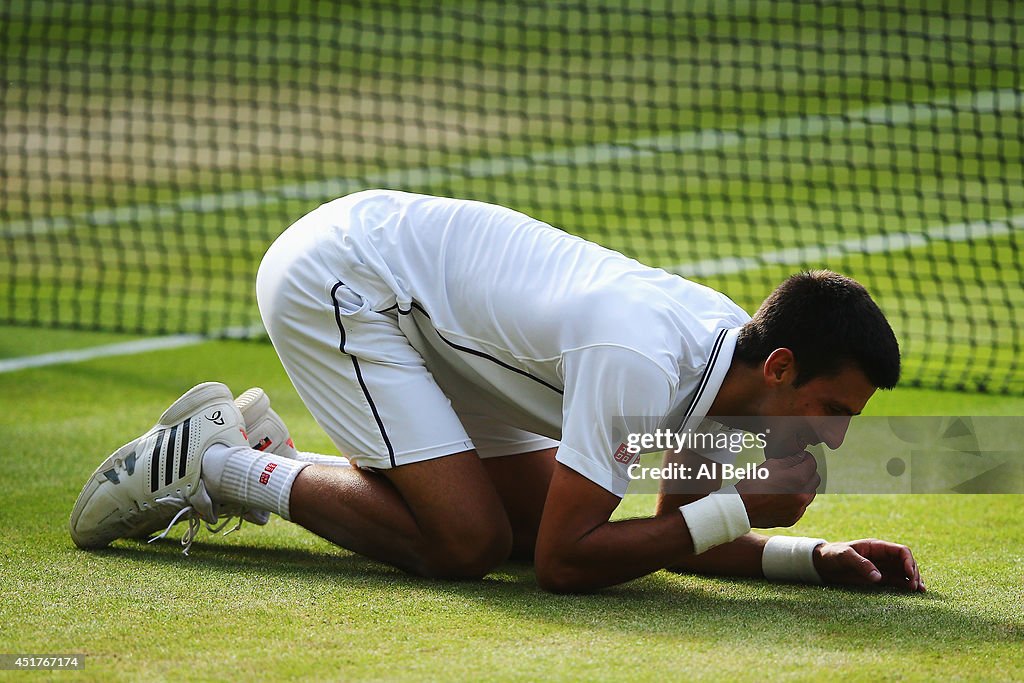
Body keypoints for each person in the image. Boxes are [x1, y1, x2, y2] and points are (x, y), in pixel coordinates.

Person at [70, 189, 925, 594]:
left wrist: (812, 558)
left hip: (440, 324)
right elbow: (569, 564)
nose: (837, 440)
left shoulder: (726, 375)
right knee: (469, 543)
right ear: (780, 371)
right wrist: (743, 510)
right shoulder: (640, 360)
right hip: (345, 282)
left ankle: (262, 454)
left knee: (519, 525)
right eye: (832, 412)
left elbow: (667, 536)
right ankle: (222, 461)